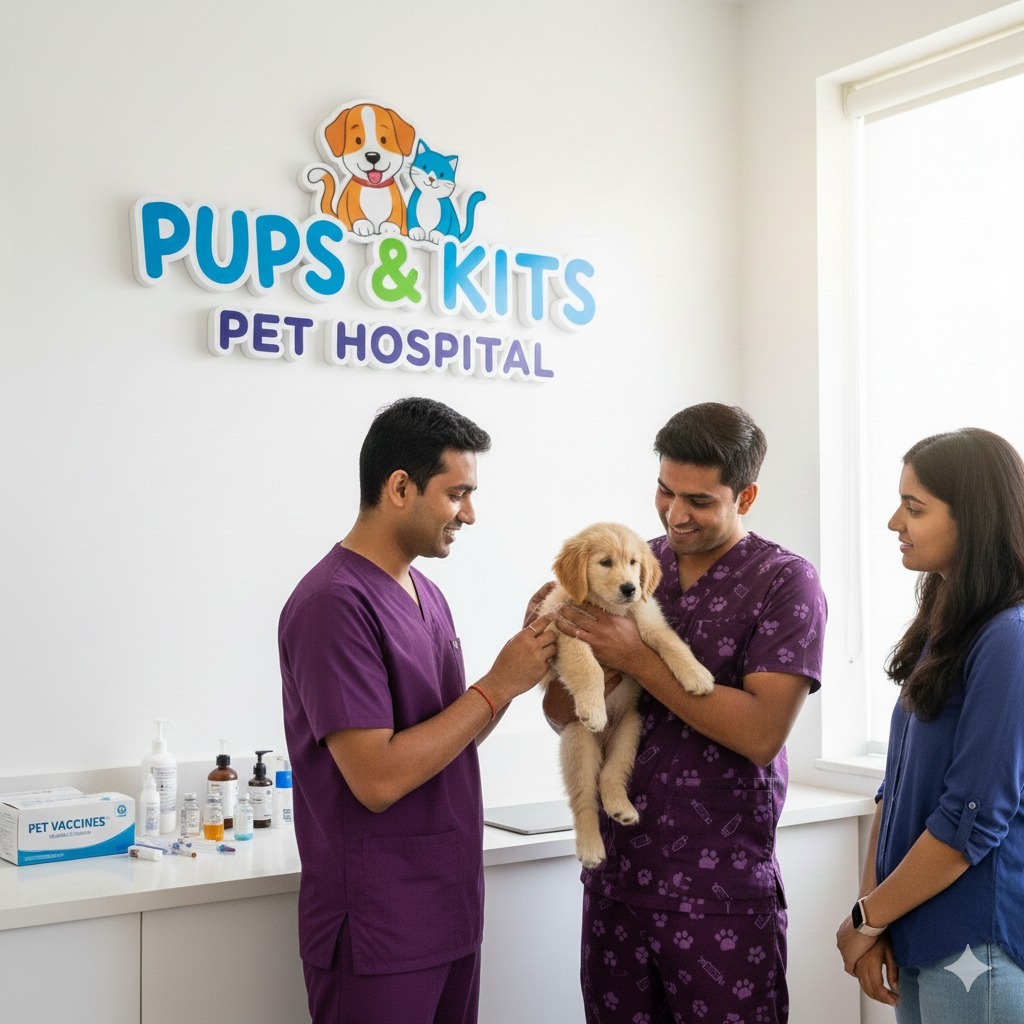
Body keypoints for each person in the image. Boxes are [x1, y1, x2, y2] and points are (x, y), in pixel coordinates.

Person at [545, 402, 827, 1024]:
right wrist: (562, 651)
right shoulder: (630, 561)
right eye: (665, 491)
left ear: (745, 494)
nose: (676, 514)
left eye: (699, 500)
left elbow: (760, 734)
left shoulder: (784, 582)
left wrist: (637, 659)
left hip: (719, 892)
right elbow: (561, 709)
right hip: (618, 881)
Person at [280, 396, 557, 1024]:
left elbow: (446, 740)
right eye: (456, 494)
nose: (471, 514)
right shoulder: (333, 603)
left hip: (448, 909)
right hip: (379, 925)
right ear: (400, 487)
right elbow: (378, 779)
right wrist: (494, 684)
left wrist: (518, 673)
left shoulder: (425, 591)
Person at [836, 428, 1024, 1022]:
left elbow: (971, 816)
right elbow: (895, 787)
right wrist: (873, 913)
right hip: (916, 927)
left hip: (978, 942)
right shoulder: (948, 626)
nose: (895, 522)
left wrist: (868, 918)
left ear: (974, 519)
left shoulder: (1010, 638)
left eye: (914, 508)